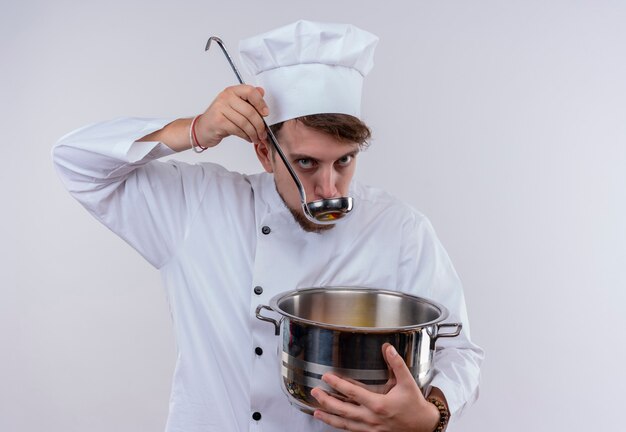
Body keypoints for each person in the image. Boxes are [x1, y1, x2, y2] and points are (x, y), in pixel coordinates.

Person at [53, 20, 483, 432]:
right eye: (306, 163)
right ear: (264, 153)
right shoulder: (199, 206)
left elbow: (459, 351)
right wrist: (196, 130)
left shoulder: (399, 228)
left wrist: (430, 416)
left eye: (345, 161)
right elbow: (75, 162)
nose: (327, 188)